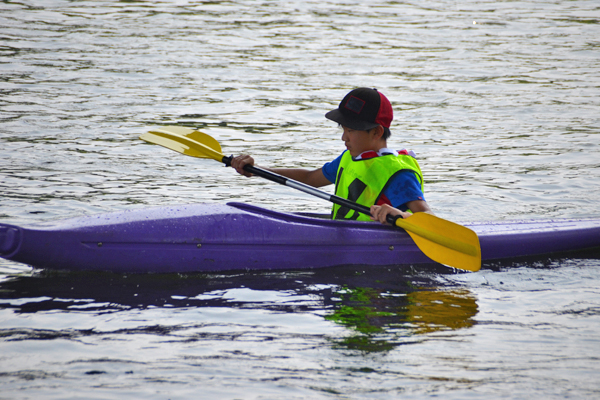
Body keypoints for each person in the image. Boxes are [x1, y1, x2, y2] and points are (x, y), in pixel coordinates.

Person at [230, 87, 433, 224]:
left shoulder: (397, 173)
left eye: (351, 131)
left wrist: (403, 215)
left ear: (377, 132)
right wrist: (257, 171)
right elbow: (310, 178)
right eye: (343, 129)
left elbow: (428, 217)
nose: (344, 138)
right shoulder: (350, 159)